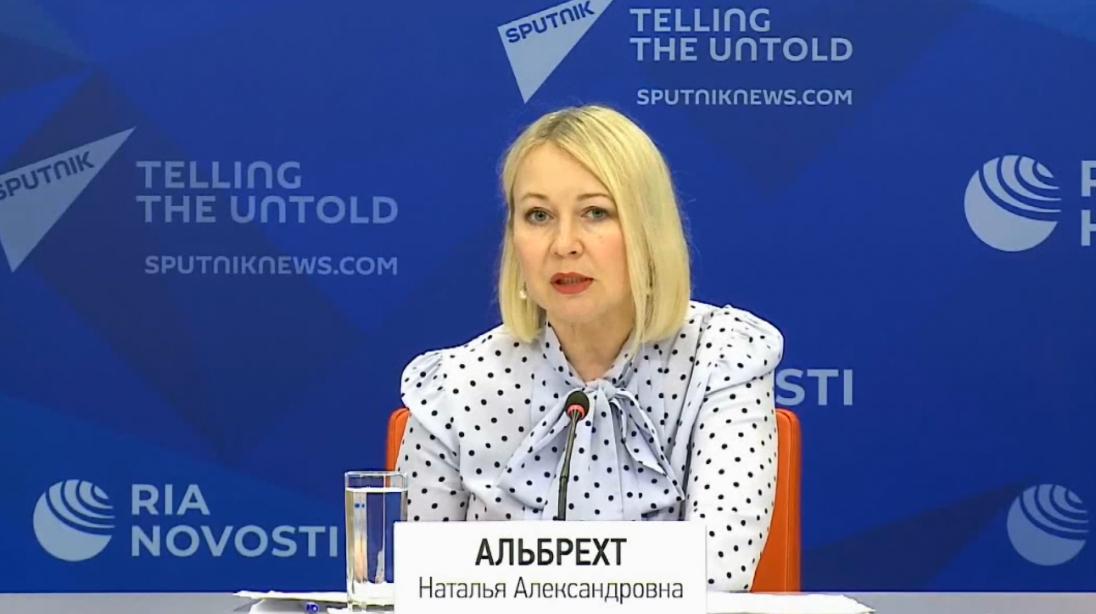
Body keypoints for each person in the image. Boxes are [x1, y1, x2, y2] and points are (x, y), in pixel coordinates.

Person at [396, 104, 783, 592]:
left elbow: (717, 577)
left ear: (648, 229)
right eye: (538, 215)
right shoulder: (455, 387)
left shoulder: (720, 360)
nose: (564, 244)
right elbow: (419, 589)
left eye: (595, 213)